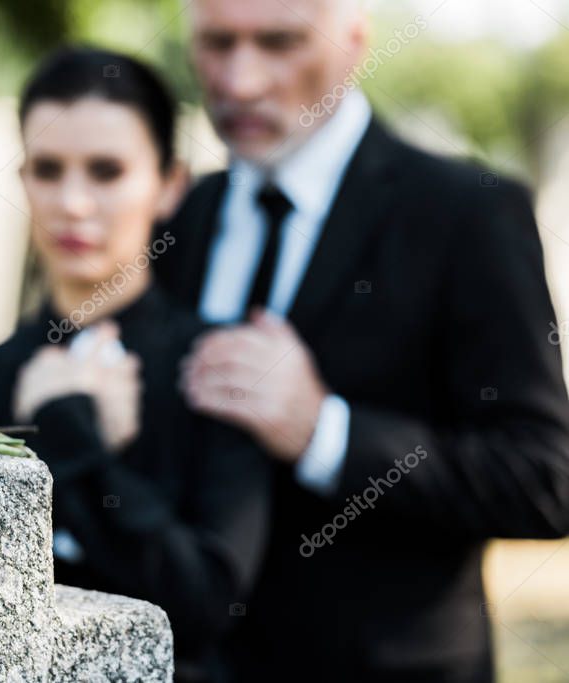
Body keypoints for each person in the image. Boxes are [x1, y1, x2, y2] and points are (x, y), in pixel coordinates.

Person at [154, 1, 569, 681]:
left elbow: (541, 478)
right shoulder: (179, 214)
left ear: (354, 41)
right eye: (215, 42)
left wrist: (325, 430)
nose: (240, 80)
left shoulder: (465, 212)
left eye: (279, 41)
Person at [0, 47, 270, 682]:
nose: (72, 202)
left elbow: (205, 606)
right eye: (47, 168)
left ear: (170, 185)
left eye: (105, 170)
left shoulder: (218, 369)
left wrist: (71, 438)